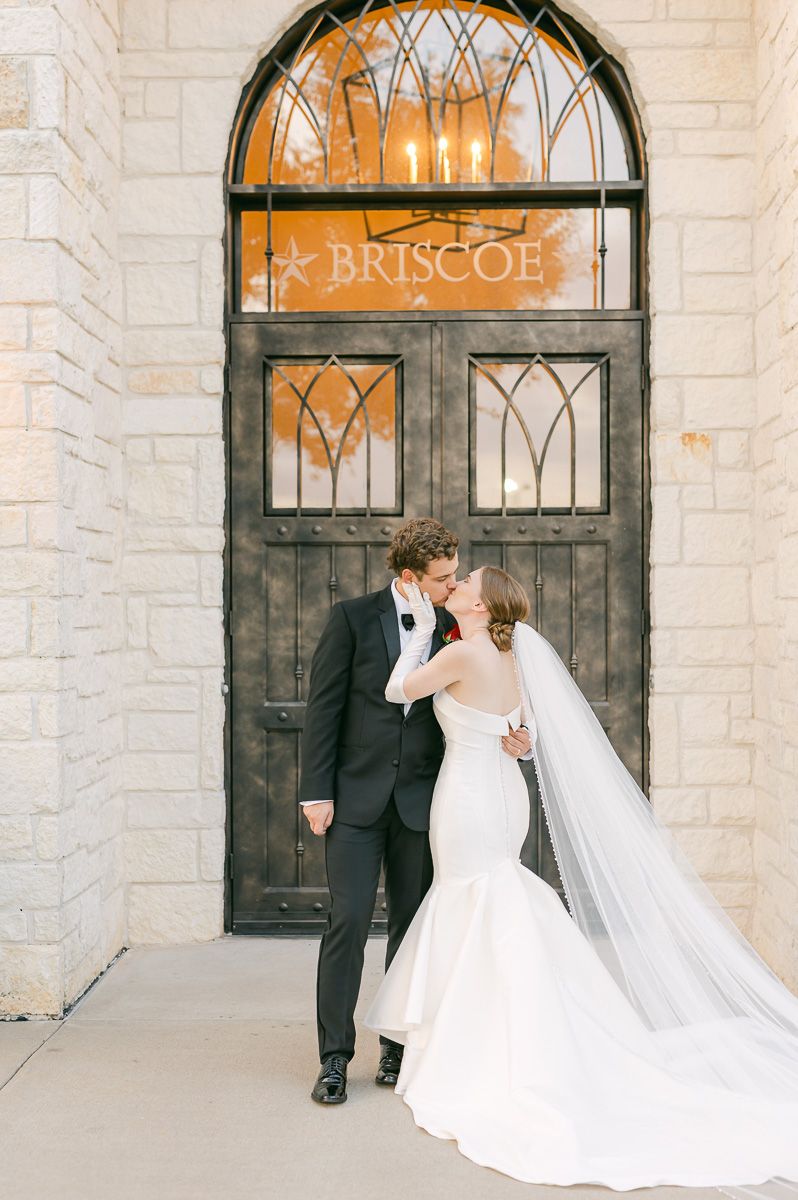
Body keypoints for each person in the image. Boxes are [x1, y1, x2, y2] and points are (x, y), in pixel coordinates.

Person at [363, 565, 798, 1193]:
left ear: (482, 607)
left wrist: (422, 630)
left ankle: (474, 1042)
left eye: (466, 583)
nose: (455, 586)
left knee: (470, 898)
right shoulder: (513, 656)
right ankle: (498, 1025)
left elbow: (397, 690)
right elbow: (530, 731)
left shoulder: (460, 653)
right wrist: (521, 740)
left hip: (468, 799)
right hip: (504, 795)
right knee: (493, 895)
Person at [299, 520, 532, 1105]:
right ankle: (334, 1057)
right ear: (411, 576)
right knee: (348, 921)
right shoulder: (352, 618)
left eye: (457, 575)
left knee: (413, 927)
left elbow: (502, 694)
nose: (453, 584)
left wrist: (519, 736)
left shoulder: (462, 628)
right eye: (444, 577)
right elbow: (323, 709)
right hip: (355, 799)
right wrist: (316, 792)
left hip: (428, 802)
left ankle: (397, 1047)